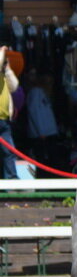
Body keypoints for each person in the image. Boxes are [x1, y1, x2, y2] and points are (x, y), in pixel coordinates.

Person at [0, 46, 20, 178]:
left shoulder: (3, 76)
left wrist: (7, 69)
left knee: (9, 151)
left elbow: (14, 86)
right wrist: (2, 52)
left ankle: (12, 179)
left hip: (4, 121)